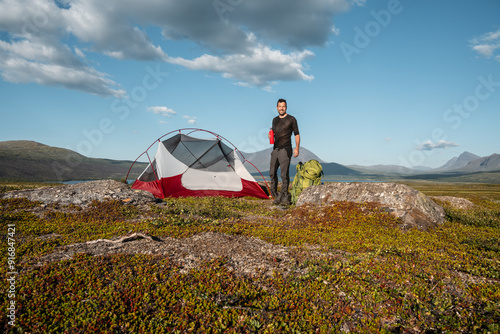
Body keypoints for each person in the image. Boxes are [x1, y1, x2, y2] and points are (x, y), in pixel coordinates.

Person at [269, 98, 300, 205]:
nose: (281, 108)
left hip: (286, 149)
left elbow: (297, 134)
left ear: (286, 107)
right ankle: (276, 196)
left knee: (284, 174)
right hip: (275, 149)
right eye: (279, 106)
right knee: (272, 173)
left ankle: (285, 197)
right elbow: (274, 134)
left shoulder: (292, 119)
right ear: (277, 107)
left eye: (283, 106)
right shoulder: (274, 120)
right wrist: (270, 135)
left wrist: (297, 148)